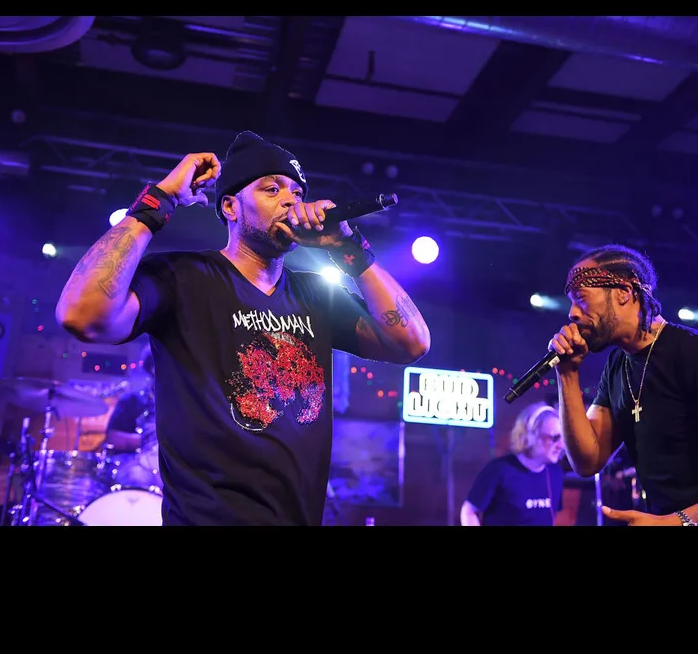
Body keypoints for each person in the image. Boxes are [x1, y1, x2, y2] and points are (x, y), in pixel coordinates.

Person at [55, 130, 431, 526]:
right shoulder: (182, 276)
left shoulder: (316, 295)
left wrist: (347, 247)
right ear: (231, 207)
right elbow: (80, 315)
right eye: (272, 189)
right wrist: (158, 201)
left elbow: (412, 343)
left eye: (297, 193)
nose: (290, 200)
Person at [549, 243, 698, 526]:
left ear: (625, 292)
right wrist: (567, 374)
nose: (573, 313)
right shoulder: (617, 366)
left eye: (581, 298)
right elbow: (587, 461)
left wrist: (675, 523)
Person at [460, 402, 565, 526]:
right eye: (554, 438)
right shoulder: (499, 470)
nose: (561, 445)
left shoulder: (556, 473)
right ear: (530, 435)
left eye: (562, 438)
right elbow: (469, 512)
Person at [102, 340, 162, 491]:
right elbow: (112, 437)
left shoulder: (182, 404)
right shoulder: (132, 400)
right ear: (152, 368)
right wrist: (148, 441)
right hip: (133, 462)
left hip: (169, 465)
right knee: (137, 476)